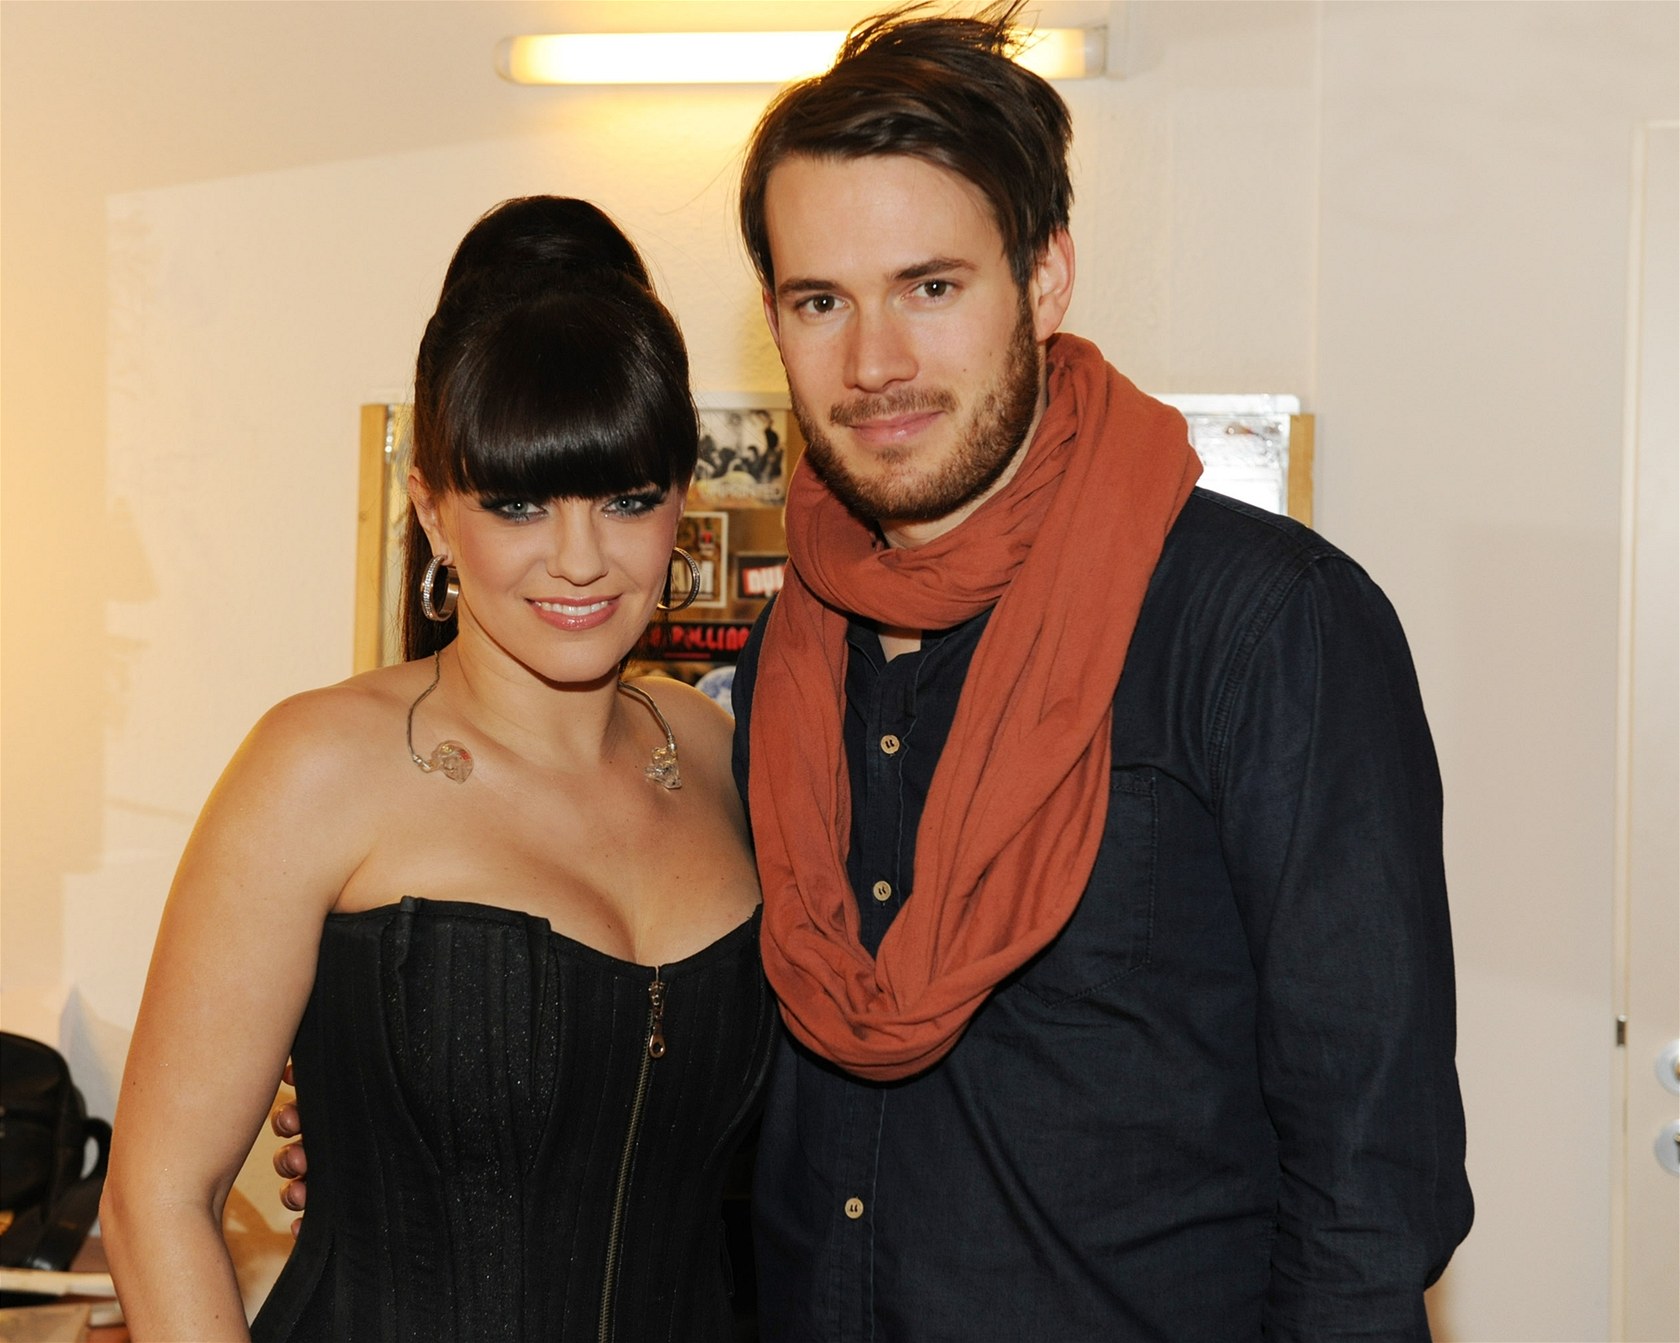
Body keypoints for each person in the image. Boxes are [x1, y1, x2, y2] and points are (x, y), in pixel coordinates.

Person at [728, 3, 1473, 1340]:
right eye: (820, 301)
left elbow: (1369, 1189)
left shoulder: (1269, 626)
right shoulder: (787, 652)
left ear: (1045, 278)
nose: (874, 363)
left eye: (931, 287)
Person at [101, 196, 774, 1342]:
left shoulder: (717, 753)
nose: (579, 558)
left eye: (626, 499)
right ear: (433, 510)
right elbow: (153, 1202)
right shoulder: (318, 767)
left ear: (683, 500)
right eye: (517, 503)